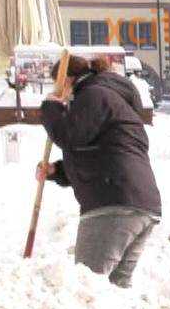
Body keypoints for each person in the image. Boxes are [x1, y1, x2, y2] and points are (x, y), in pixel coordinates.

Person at [36, 54, 162, 288]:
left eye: (56, 84)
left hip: (112, 205)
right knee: (115, 288)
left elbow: (68, 135)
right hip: (139, 203)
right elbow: (99, 152)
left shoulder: (94, 95)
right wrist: (56, 171)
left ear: (67, 80)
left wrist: (51, 107)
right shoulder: (107, 97)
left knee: (88, 287)